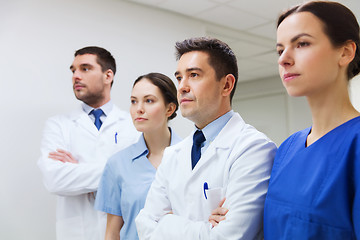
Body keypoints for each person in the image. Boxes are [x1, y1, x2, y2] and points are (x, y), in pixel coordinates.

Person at [135, 37, 277, 239]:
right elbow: (144, 226)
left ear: (226, 85)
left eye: (194, 75)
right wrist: (205, 226)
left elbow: (230, 236)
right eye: (179, 78)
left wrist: (166, 222)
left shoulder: (254, 149)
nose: (182, 87)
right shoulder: (173, 154)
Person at [263, 1, 360, 239]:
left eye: (302, 43)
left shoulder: (355, 144)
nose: (283, 59)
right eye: (280, 50)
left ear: (345, 52)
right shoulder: (287, 148)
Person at [38, 46, 139, 240]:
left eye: (85, 68)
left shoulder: (133, 124)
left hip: (123, 231)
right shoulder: (58, 125)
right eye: (73, 70)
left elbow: (145, 176)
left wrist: (78, 169)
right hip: (76, 232)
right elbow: (54, 180)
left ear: (108, 75)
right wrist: (118, 171)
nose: (75, 76)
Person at [94, 72, 182, 240]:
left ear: (170, 109)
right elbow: (112, 233)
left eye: (149, 101)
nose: (138, 109)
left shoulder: (194, 156)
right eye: (134, 101)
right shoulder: (117, 165)